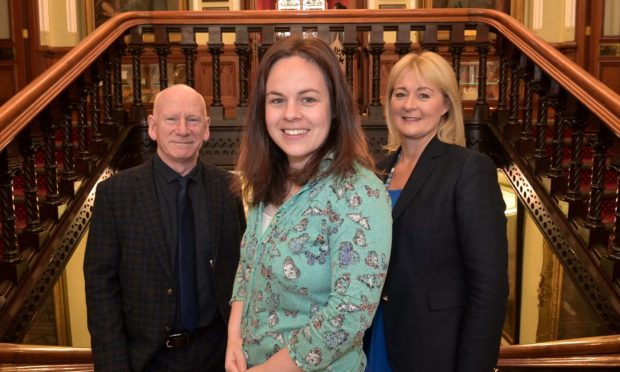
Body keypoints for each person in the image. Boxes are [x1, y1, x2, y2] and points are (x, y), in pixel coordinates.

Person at [225, 36, 392, 372]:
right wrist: (233, 336)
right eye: (276, 100)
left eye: (308, 99)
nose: (290, 114)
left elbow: (349, 313)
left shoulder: (360, 193)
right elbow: (248, 265)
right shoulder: (268, 178)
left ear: (334, 108)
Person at [84, 84, 246, 371]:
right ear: (153, 127)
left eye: (193, 119)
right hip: (146, 359)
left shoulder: (228, 189)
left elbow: (242, 271)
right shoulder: (114, 194)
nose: (183, 129)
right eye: (171, 119)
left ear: (206, 128)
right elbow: (100, 287)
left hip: (216, 354)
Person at [365, 51, 508, 372]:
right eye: (399, 94)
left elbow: (489, 290)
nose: (409, 104)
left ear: (445, 105)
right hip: (371, 338)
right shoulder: (375, 172)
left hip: (433, 348)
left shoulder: (470, 169)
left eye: (424, 94)